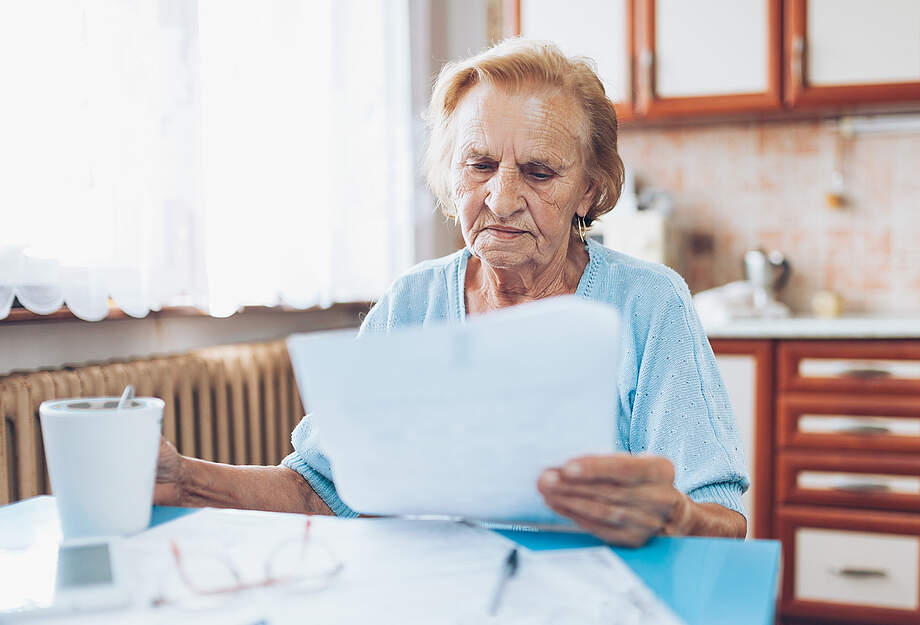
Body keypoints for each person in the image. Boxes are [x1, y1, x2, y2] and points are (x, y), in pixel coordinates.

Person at [155, 39, 748, 546]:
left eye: (539, 172)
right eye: (480, 165)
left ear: (589, 192)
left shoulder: (648, 303)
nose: (501, 198)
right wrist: (185, 481)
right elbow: (319, 492)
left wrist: (673, 514)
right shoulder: (411, 304)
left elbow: (724, 518)